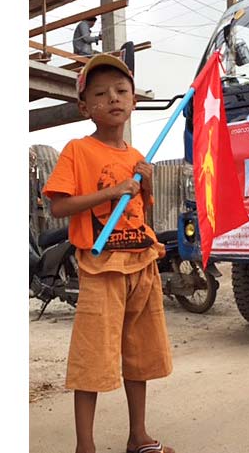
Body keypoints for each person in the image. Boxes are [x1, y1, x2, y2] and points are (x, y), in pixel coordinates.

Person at [42, 53, 175, 453]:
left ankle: (139, 438)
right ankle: (86, 447)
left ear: (134, 100)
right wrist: (110, 191)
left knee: (141, 356)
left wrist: (146, 185)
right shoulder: (77, 150)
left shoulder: (136, 158)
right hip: (101, 269)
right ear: (85, 107)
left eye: (121, 91)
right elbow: (59, 207)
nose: (113, 98)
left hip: (142, 263)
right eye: (100, 94)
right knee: (92, 360)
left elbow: (139, 211)